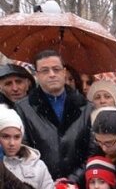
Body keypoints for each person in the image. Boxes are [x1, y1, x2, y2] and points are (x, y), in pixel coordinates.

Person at [14, 49, 92, 181]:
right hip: (40, 188)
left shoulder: (86, 108)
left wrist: (73, 179)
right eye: (45, 70)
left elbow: (92, 151)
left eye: (56, 69)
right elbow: (22, 151)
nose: (52, 74)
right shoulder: (23, 109)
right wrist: (47, 184)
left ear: (64, 71)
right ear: (37, 75)